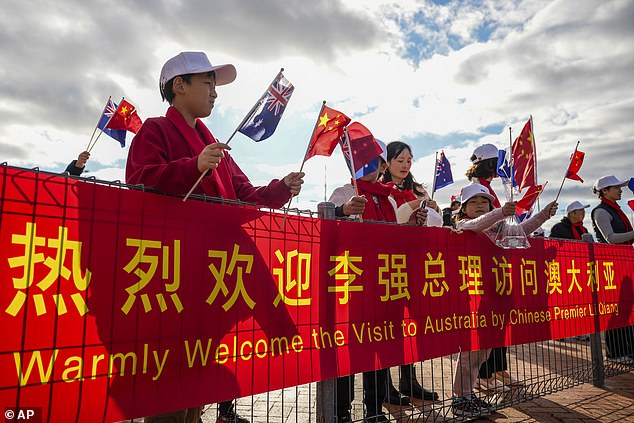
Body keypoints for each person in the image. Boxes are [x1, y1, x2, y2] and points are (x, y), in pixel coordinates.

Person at [125, 51, 305, 423]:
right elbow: (140, 179)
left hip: (213, 276)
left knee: (197, 377)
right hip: (177, 273)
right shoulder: (155, 129)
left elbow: (243, 192)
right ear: (179, 86)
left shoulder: (214, 144)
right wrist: (192, 166)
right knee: (171, 380)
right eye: (207, 82)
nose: (214, 93)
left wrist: (281, 188)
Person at [329, 140, 427, 422]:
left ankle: (373, 411)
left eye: (373, 161)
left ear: (382, 166)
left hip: (384, 285)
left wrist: (412, 225)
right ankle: (341, 412)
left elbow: (394, 238)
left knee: (379, 352)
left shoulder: (390, 198)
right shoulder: (345, 192)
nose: (367, 166)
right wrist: (343, 211)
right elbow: (328, 226)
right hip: (355, 286)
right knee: (348, 354)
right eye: (360, 160)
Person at [451, 184, 557, 417]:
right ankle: (460, 399)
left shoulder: (499, 228)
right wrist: (501, 212)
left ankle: (468, 395)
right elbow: (476, 225)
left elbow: (523, 230)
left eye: (484, 201)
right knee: (470, 351)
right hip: (474, 298)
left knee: (484, 351)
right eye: (474, 202)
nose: (480, 205)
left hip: (497, 295)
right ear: (464, 208)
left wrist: (543, 214)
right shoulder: (463, 225)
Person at [380, 141, 440, 402]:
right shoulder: (381, 190)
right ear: (388, 162)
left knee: (410, 325)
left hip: (415, 263)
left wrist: (434, 210)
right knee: (386, 326)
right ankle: (384, 386)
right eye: (399, 160)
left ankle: (409, 379)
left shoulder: (418, 190)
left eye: (409, 160)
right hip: (389, 264)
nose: (405, 165)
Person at [590, 175, 634, 360]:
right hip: (612, 264)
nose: (620, 189)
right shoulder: (601, 211)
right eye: (615, 188)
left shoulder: (615, 209)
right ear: (604, 192)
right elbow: (611, 238)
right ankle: (615, 352)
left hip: (624, 261)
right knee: (616, 307)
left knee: (627, 306)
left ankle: (628, 349)